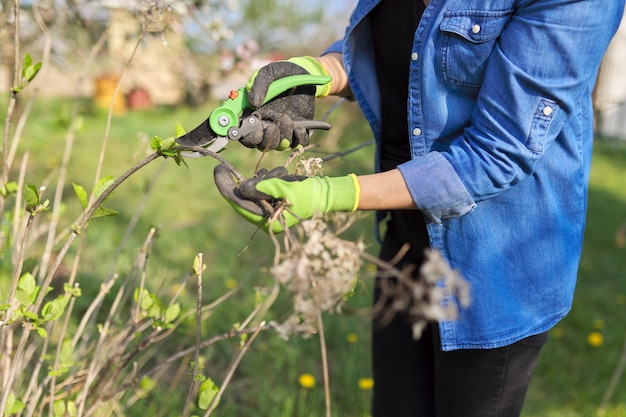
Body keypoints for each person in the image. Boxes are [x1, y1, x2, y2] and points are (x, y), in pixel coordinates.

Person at [214, 1, 625, 416]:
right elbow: (409, 55)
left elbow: (499, 154)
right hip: (407, 239)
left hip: (495, 262)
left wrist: (330, 195)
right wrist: (324, 72)